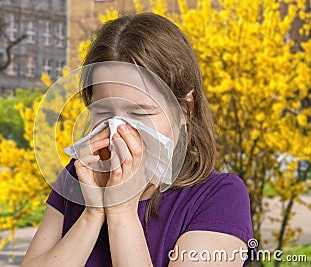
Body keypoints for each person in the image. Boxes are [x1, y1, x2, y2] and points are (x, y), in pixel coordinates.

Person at [22, 13, 254, 267]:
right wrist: (93, 213)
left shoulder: (220, 198)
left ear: (185, 110)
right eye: (104, 111)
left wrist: (122, 212)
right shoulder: (79, 177)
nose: (118, 129)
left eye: (139, 112)